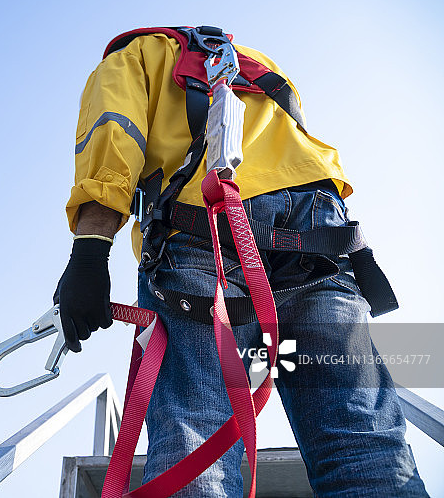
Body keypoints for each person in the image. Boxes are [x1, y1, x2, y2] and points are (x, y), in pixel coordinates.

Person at [54, 29, 429, 496]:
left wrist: (89, 254)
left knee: (197, 439)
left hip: (200, 227)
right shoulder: (263, 67)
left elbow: (113, 137)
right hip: (318, 235)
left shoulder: (133, 55)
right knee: (360, 441)